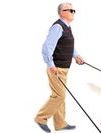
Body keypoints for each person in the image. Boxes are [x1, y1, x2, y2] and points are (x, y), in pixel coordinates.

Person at [35, 2, 84, 133]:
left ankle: (60, 123)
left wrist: (77, 56)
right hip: (56, 68)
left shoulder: (67, 27)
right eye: (70, 10)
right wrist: (51, 65)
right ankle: (40, 118)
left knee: (60, 96)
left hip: (64, 68)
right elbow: (47, 47)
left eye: (74, 10)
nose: (73, 12)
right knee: (59, 96)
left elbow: (65, 44)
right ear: (62, 12)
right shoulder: (58, 26)